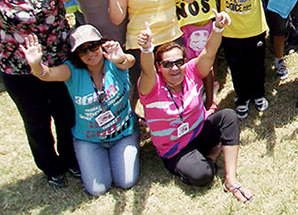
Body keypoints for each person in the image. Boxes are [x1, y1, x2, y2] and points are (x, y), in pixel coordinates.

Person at [0, 0, 79, 187]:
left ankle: (72, 160)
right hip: (19, 72)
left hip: (59, 64)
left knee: (67, 115)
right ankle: (51, 167)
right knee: (37, 122)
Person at [138, 12, 253, 202]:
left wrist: (217, 28)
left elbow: (209, 52)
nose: (174, 68)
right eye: (167, 64)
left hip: (198, 131)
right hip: (175, 148)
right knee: (203, 176)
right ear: (159, 66)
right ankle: (214, 154)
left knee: (228, 116)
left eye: (179, 62)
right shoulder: (151, 86)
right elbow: (147, 70)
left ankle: (231, 179)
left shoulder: (191, 71)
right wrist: (147, 49)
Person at [20, 25, 139, 196]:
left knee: (126, 181)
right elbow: (46, 74)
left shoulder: (114, 60)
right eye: (83, 51)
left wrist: (119, 59)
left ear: (101, 44)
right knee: (98, 189)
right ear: (76, 54)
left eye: (93, 46)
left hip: (123, 134)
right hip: (90, 140)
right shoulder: (71, 70)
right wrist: (36, 65)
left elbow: (129, 61)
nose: (90, 53)